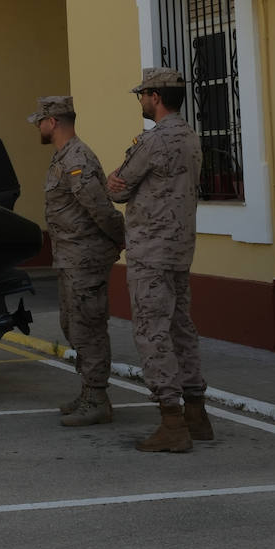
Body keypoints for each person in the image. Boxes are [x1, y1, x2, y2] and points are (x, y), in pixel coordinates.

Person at [106, 67, 209, 452]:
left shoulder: (154, 140)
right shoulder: (191, 136)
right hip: (180, 248)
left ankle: (172, 422)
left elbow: (119, 187)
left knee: (152, 331)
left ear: (155, 97)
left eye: (143, 95)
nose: (141, 101)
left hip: (151, 249)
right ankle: (196, 413)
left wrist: (114, 179)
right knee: (181, 327)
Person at [29, 96, 125, 427]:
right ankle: (89, 392)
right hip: (70, 258)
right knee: (73, 325)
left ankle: (97, 399)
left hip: (85, 259)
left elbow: (100, 208)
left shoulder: (77, 158)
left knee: (88, 326)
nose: (38, 127)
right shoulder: (63, 156)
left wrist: (119, 238)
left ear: (53, 121)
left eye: (40, 121)